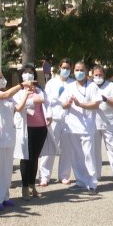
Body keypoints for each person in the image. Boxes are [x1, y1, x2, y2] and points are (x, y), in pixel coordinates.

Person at [0, 68, 34, 210]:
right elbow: (4, 95)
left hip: (8, 136)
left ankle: (4, 196)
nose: (3, 79)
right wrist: (22, 85)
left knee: (6, 169)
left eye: (3, 77)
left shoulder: (8, 95)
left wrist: (26, 95)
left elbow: (17, 108)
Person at [60, 61, 101, 194]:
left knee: (88, 155)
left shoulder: (93, 86)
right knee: (76, 155)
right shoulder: (70, 86)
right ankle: (81, 181)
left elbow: (96, 104)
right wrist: (69, 103)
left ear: (86, 71)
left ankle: (92, 183)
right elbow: (63, 104)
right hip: (72, 127)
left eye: (81, 70)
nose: (79, 72)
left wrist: (80, 104)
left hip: (87, 127)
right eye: (77, 70)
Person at [13, 64, 53, 201]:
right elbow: (19, 106)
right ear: (21, 76)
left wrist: (49, 115)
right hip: (26, 128)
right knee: (25, 157)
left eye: (30, 72)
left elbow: (47, 103)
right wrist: (31, 98)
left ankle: (32, 185)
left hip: (41, 127)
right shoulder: (18, 92)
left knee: (35, 157)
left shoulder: (39, 89)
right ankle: (24, 186)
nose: (28, 74)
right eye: (25, 72)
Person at [38, 58, 74, 186]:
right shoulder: (51, 83)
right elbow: (46, 102)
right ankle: (44, 176)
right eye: (64, 67)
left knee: (66, 149)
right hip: (53, 118)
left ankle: (64, 175)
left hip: (68, 120)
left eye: (68, 68)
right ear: (59, 67)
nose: (66, 70)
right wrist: (48, 115)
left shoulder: (73, 83)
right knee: (49, 148)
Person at [90, 65, 113, 185]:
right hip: (93, 123)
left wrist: (106, 99)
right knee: (94, 151)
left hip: (108, 122)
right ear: (91, 75)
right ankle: (95, 175)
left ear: (104, 75)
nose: (98, 77)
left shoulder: (111, 86)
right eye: (96, 75)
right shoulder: (90, 86)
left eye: (100, 75)